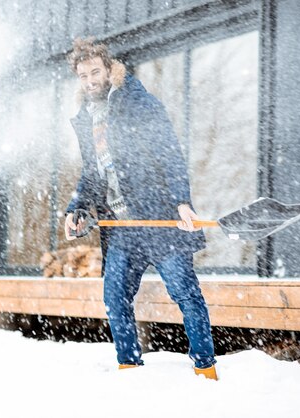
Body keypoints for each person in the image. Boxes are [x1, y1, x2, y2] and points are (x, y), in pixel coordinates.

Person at [63, 37, 217, 380]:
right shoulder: (85, 120)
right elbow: (91, 172)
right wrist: (75, 208)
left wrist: (182, 202)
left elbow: (170, 155)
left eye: (95, 72)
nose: (90, 80)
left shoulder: (138, 102)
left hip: (159, 219)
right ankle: (129, 367)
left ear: (109, 68)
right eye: (83, 75)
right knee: (114, 296)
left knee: (186, 294)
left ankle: (206, 369)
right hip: (122, 228)